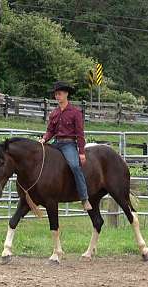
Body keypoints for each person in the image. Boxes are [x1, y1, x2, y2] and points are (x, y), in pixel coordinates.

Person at [39, 81, 92, 211]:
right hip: (56, 143)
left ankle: (84, 198)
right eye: (56, 94)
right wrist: (44, 139)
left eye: (60, 94)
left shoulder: (75, 112)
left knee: (74, 166)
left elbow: (80, 134)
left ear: (66, 94)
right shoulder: (54, 113)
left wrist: (81, 152)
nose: (57, 97)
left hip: (69, 144)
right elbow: (51, 130)